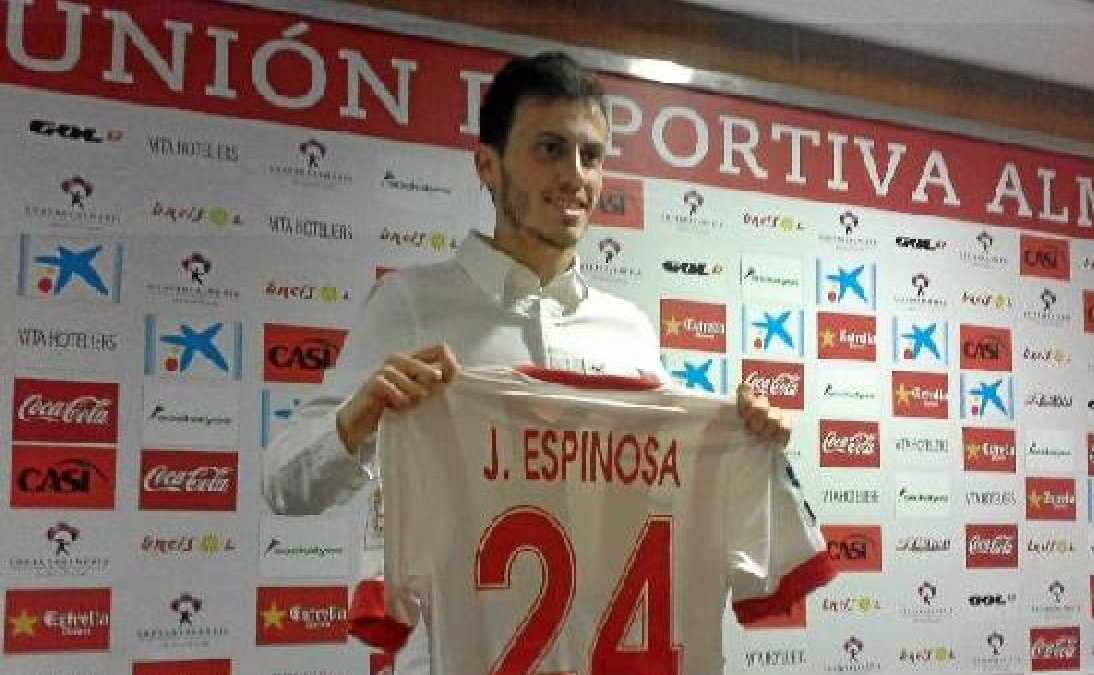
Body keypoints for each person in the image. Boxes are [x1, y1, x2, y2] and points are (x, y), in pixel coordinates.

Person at [261, 51, 791, 672]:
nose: (575, 175)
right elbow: (282, 485)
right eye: (549, 149)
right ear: (487, 165)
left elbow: (671, 494)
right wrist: (358, 420)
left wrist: (741, 438)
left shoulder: (630, 332)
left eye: (590, 156)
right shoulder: (409, 305)